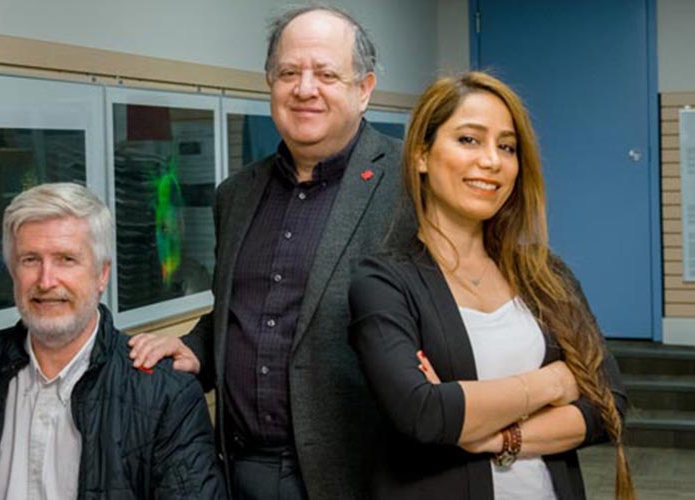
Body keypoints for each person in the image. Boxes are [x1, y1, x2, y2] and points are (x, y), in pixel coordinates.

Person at [128, 6, 411, 499]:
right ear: (269, 82)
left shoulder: (411, 183)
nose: (305, 88)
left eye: (326, 74)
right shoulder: (236, 194)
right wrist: (195, 349)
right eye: (288, 73)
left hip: (359, 474)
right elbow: (246, 312)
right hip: (238, 470)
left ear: (364, 89)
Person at [347, 71, 633, 499]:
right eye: (469, 140)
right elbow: (423, 413)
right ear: (421, 155)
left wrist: (494, 437)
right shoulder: (383, 281)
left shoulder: (544, 274)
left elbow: (608, 404)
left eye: (507, 147)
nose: (492, 161)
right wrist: (554, 383)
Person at [0, 182, 224, 499]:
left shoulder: (166, 395)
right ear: (14, 271)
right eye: (30, 260)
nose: (46, 280)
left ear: (102, 273)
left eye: (66, 259)